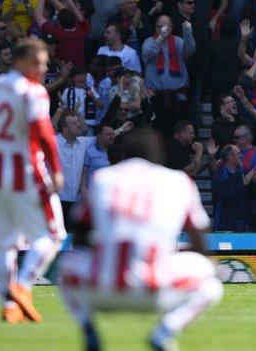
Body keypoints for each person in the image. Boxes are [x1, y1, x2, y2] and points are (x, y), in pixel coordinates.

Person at [57, 128, 223, 351]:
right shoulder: (178, 181)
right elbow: (200, 240)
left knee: (65, 265)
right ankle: (164, 332)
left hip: (103, 290)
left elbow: (80, 235)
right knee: (211, 283)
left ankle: (88, 327)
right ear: (158, 155)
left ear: (124, 154)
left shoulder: (104, 178)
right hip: (153, 291)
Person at [0, 38, 67, 324]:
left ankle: (9, 306)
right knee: (54, 236)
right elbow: (44, 132)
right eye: (39, 62)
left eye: (45, 63)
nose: (44, 68)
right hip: (28, 172)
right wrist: (56, 169)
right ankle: (22, 285)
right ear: (20, 61)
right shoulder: (32, 91)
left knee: (6, 244)